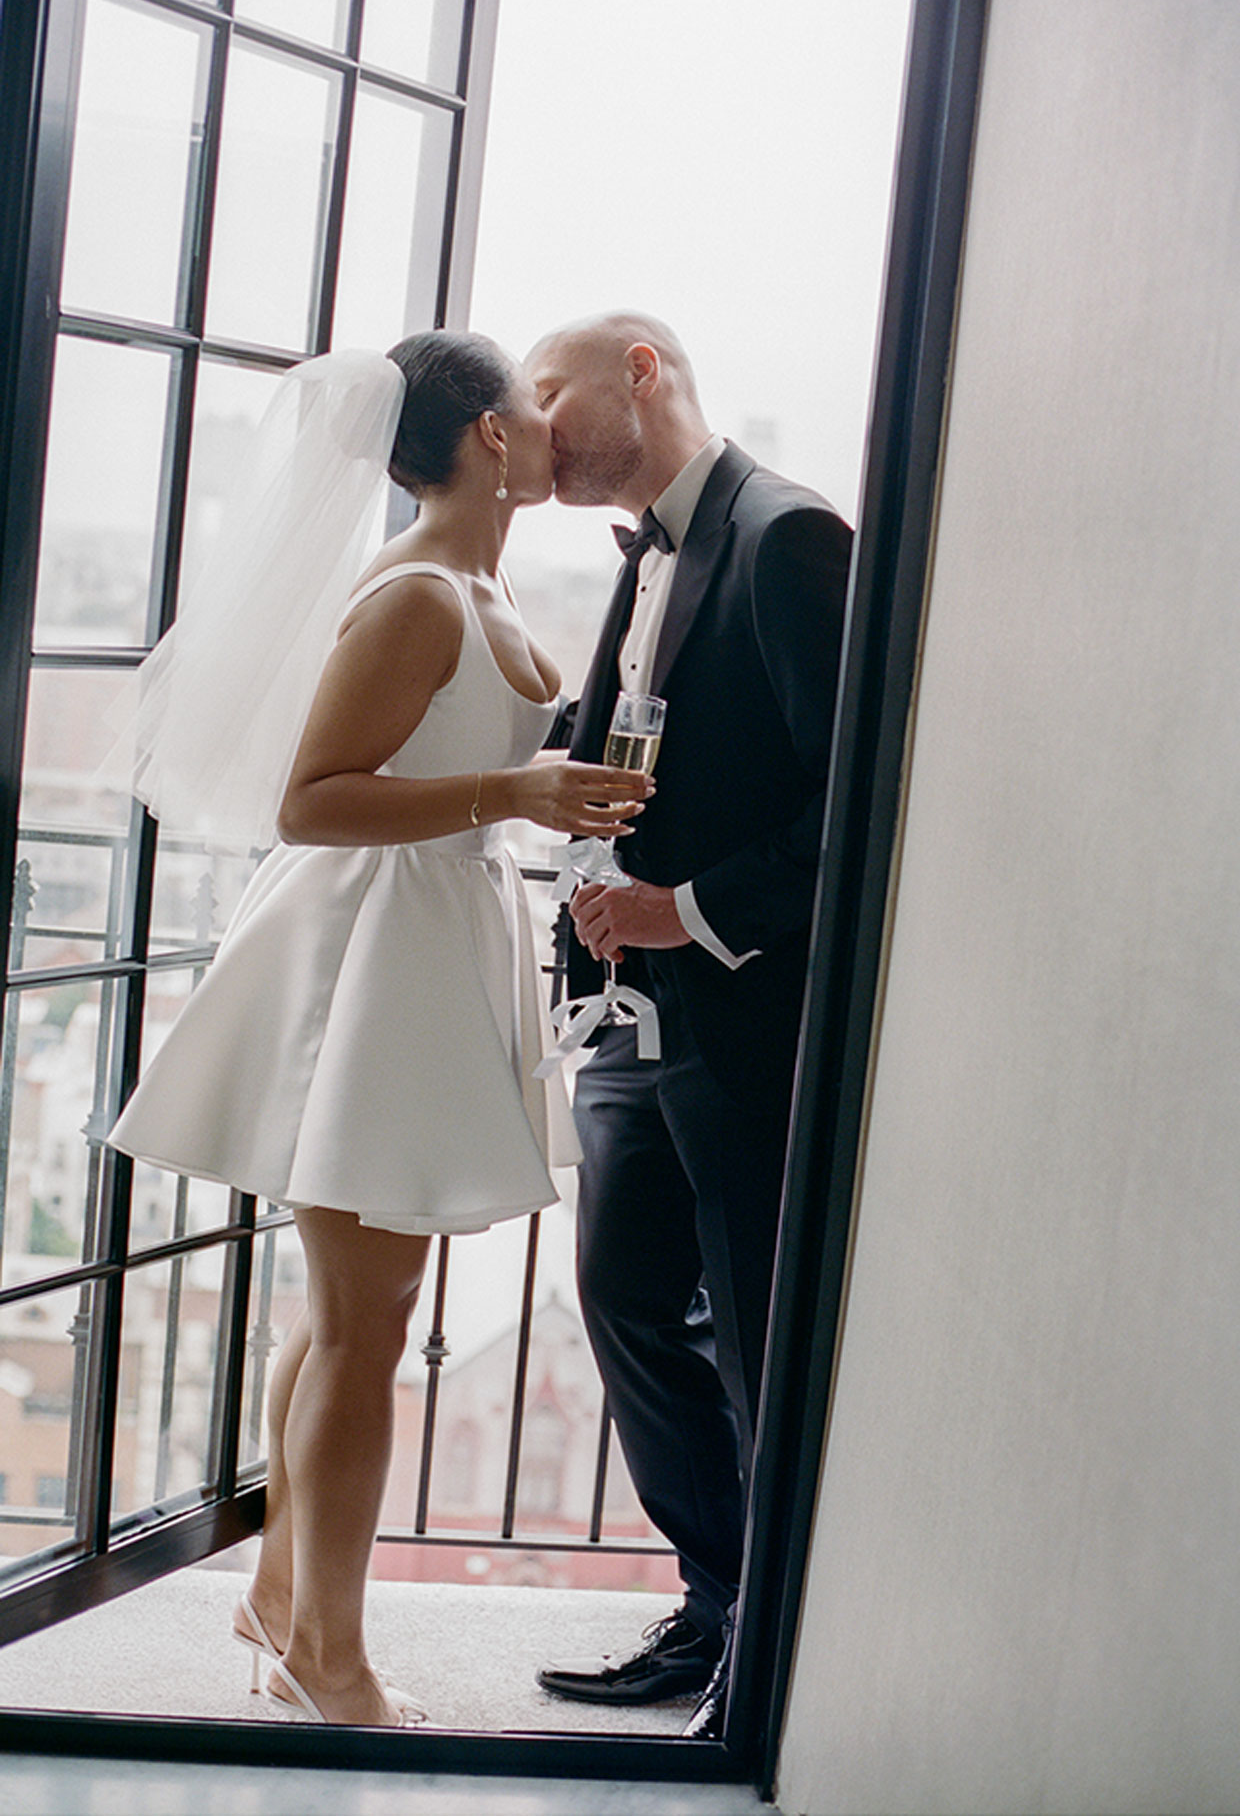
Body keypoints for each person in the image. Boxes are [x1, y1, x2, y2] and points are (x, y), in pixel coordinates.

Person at [107, 333, 652, 1728]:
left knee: (348, 1312)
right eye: (530, 409)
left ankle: (284, 1600)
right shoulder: (417, 594)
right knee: (369, 1322)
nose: (548, 428)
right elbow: (314, 799)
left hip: (425, 939)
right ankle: (326, 1659)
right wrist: (516, 794)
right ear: (485, 436)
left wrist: (531, 801)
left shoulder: (480, 579)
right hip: (372, 956)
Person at [525, 313, 852, 1738]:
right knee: (625, 1305)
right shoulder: (645, 554)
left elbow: (849, 804)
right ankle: (712, 1603)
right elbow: (627, 746)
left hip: (740, 1018)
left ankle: (767, 1657)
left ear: (639, 370)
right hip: (624, 1018)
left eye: (551, 390)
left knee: (750, 1337)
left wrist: (690, 910)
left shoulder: (790, 537)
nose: (533, 424)